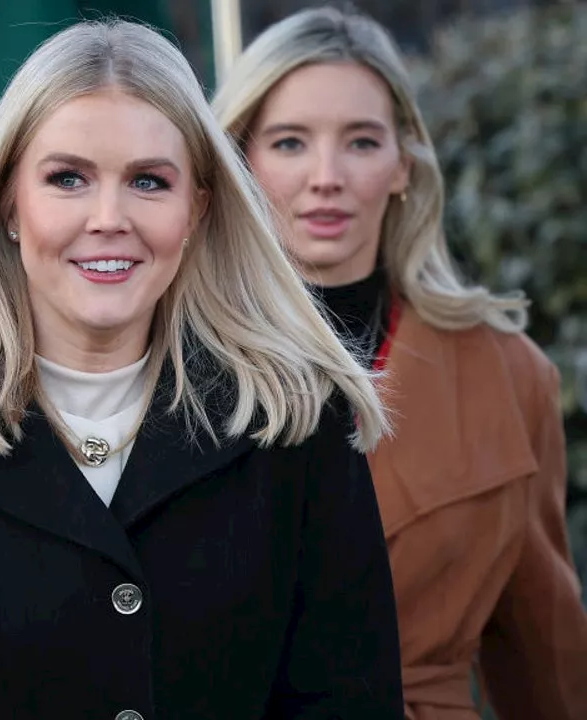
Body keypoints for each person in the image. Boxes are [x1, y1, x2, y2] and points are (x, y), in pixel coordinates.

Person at [0, 18, 402, 719]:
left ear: (198, 208)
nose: (108, 217)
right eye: (67, 178)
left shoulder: (298, 417)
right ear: (9, 199)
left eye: (149, 182)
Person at [212, 7, 587, 719]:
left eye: (360, 141)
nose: (327, 176)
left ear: (403, 167)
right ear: (238, 161)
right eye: (290, 142)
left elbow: (544, 650)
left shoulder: (507, 375)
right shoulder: (170, 358)